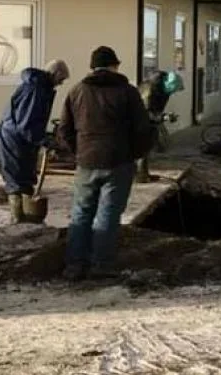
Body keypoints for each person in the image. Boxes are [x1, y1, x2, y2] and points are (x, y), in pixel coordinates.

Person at [57, 46, 153, 281]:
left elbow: (64, 129)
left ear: (92, 67)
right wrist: (136, 154)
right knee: (108, 214)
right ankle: (102, 264)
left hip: (87, 161)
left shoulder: (76, 91)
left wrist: (78, 152)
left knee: (81, 212)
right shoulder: (128, 92)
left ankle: (75, 265)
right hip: (118, 161)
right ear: (114, 65)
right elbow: (143, 129)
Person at [0, 59, 69, 224]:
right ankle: (18, 221)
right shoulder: (36, 90)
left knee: (23, 181)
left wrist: (44, 138)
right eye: (61, 79)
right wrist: (47, 141)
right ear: (54, 75)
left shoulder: (39, 88)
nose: (61, 84)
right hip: (12, 142)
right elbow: (27, 125)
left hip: (17, 140)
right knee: (17, 183)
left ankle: (23, 220)